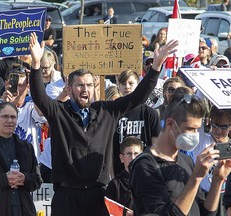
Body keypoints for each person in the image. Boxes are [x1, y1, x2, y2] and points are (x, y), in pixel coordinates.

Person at [29, 31, 179, 216]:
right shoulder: (59, 112)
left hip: (97, 194)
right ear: (68, 89)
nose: (85, 89)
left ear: (96, 88)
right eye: (80, 85)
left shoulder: (106, 111)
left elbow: (137, 98)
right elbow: (39, 97)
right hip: (66, 196)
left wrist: (155, 67)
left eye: (90, 85)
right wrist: (36, 65)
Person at [130, 93, 231, 215]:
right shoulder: (145, 166)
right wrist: (195, 178)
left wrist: (217, 180)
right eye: (190, 129)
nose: (195, 135)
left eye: (197, 129)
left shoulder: (185, 160)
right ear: (170, 124)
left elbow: (205, 212)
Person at [113, 69, 161, 175]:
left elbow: (156, 145)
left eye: (131, 83)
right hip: (119, 172)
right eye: (123, 83)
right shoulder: (113, 111)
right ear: (118, 86)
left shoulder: (150, 113)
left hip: (145, 171)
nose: (127, 87)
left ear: (138, 84)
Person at [192, 106, 231, 216]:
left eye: (224, 127)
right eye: (215, 125)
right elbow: (195, 111)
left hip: (225, 198)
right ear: (210, 122)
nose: (219, 131)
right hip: (202, 195)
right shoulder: (202, 140)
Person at [105, 136, 143, 216]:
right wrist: (123, 213)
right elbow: (108, 211)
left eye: (136, 154)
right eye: (129, 154)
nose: (133, 158)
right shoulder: (114, 185)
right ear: (122, 158)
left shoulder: (152, 182)